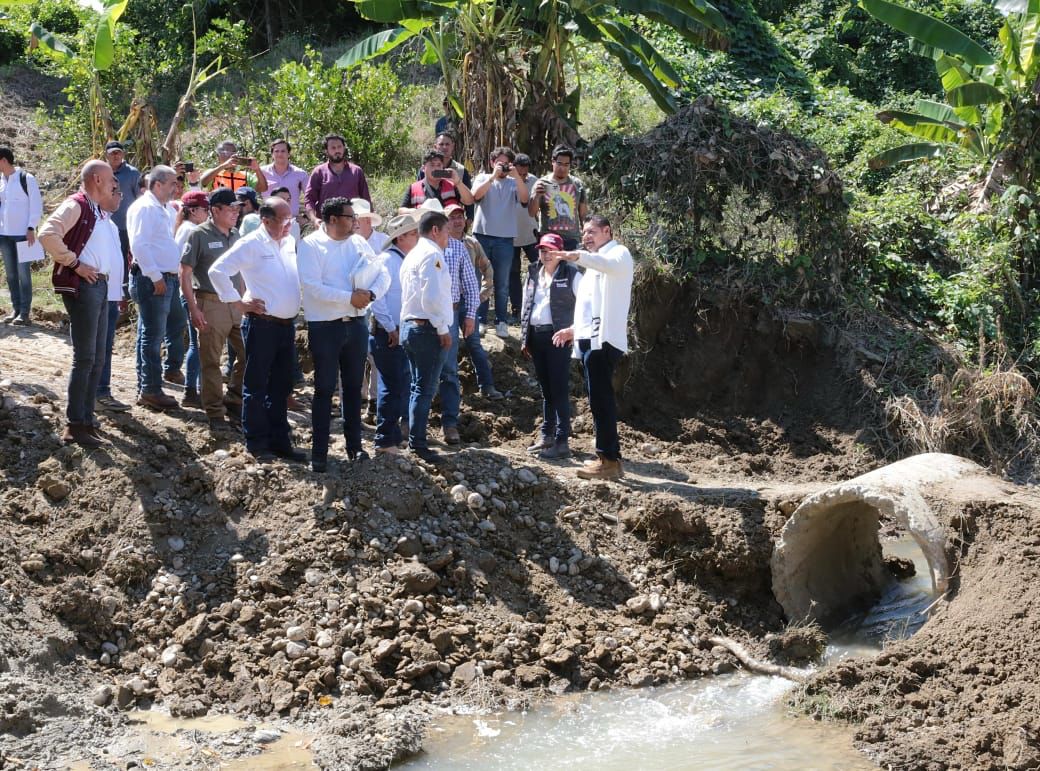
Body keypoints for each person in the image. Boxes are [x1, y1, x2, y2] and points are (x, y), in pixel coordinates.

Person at [208, 197, 304, 463]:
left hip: (286, 326)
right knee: (257, 385)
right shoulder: (251, 244)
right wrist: (239, 302)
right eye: (284, 220)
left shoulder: (288, 243)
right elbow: (217, 271)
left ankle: (280, 441)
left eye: (291, 220)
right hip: (262, 325)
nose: (289, 225)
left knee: (281, 387)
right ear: (266, 220)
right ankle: (257, 443)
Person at [298, 197, 389, 472]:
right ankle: (320, 453)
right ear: (333, 219)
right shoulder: (310, 245)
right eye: (350, 217)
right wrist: (350, 298)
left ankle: (355, 447)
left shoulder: (359, 243)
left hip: (357, 324)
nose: (355, 221)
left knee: (352, 389)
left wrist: (370, 295)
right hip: (326, 326)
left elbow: (382, 273)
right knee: (324, 389)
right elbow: (312, 287)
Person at [37, 160, 123, 447]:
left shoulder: (97, 210)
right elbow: (47, 234)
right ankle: (75, 425)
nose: (114, 183)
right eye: (111, 178)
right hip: (84, 287)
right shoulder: (77, 204)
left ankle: (86, 420)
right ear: (97, 179)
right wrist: (75, 263)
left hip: (97, 286)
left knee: (96, 358)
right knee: (85, 357)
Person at [550, 215, 633, 480]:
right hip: (589, 340)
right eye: (584, 232)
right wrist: (574, 331)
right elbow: (589, 307)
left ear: (607, 231)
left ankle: (608, 460)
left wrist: (575, 256)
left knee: (601, 401)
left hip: (603, 341)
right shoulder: (592, 266)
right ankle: (609, 459)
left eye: (592, 232)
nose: (586, 236)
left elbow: (606, 264)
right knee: (598, 400)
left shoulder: (618, 254)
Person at [179, 187, 245, 430]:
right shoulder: (199, 234)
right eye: (231, 209)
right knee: (211, 361)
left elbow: (243, 270)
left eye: (238, 209)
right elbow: (184, 273)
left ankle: (235, 399)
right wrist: (194, 309)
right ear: (215, 210)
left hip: (236, 303)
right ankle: (215, 413)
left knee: (249, 353)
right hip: (211, 302)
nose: (235, 213)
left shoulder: (236, 234)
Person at [520, 233, 581, 459]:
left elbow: (586, 305)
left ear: (560, 252)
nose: (546, 254)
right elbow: (528, 305)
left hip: (558, 337)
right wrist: (525, 338)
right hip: (537, 336)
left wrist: (573, 330)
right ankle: (547, 435)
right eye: (542, 250)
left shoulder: (571, 274)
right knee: (546, 389)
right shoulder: (533, 272)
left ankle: (562, 440)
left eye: (550, 250)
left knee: (559, 389)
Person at [399, 211, 454, 464]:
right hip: (427, 329)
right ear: (435, 230)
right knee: (424, 389)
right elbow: (431, 298)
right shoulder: (432, 255)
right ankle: (418, 443)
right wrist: (442, 328)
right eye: (446, 232)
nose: (448, 238)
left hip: (412, 326)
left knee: (416, 387)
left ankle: (414, 438)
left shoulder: (411, 255)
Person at [127, 165, 182, 411]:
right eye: (172, 183)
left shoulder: (162, 208)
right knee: (152, 336)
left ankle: (147, 386)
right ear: (157, 184)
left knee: (148, 334)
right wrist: (155, 276)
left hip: (162, 278)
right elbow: (139, 245)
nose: (175, 187)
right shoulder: (146, 208)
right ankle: (150, 389)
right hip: (153, 279)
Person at [427, 200, 481, 446]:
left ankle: (449, 422)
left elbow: (471, 285)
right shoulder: (416, 249)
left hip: (449, 314)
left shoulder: (458, 248)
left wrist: (470, 315)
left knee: (448, 370)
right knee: (421, 369)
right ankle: (415, 422)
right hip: (422, 315)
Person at [370, 210, 422, 454]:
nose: (417, 238)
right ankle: (384, 439)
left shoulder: (399, 259)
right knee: (392, 385)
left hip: (396, 330)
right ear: (401, 237)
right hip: (387, 332)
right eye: (413, 234)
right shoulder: (388, 261)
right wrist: (390, 327)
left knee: (398, 384)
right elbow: (376, 299)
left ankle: (389, 436)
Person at [94, 140, 139, 411]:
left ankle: (100, 391)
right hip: (94, 293)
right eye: (114, 190)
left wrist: (120, 292)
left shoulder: (132, 175)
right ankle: (96, 394)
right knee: (95, 347)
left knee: (105, 342)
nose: (118, 194)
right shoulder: (89, 216)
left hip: (110, 293)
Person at [471, 146, 529, 339]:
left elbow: (524, 199)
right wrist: (492, 176)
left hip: (505, 239)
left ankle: (501, 321)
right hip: (482, 237)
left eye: (506, 163)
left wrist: (516, 176)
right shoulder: (482, 178)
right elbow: (475, 196)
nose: (502, 167)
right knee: (481, 280)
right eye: (499, 163)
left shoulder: (514, 183)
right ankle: (480, 320)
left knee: (502, 282)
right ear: (491, 163)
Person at [446, 203, 501, 399]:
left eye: (460, 216)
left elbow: (487, 268)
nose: (457, 221)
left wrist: (482, 295)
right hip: (447, 305)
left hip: (468, 302)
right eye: (452, 217)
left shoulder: (472, 244)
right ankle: (451, 394)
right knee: (449, 347)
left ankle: (487, 386)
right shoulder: (439, 245)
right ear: (445, 221)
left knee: (475, 344)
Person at [172, 190, 210, 405]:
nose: (207, 214)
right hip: (192, 292)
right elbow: (185, 266)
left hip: (189, 291)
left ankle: (196, 389)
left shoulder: (186, 228)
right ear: (193, 211)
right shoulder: (191, 231)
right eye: (205, 209)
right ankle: (191, 391)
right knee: (198, 343)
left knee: (198, 342)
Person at [0, 146, 43, 326]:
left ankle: (25, 312)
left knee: (23, 274)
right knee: (10, 274)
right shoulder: (1, 181)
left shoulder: (27, 178)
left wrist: (32, 227)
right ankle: (16, 309)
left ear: (3, 160)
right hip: (4, 234)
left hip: (24, 234)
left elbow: (36, 205)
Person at [305, 134, 371, 229]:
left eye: (339, 147)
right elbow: (309, 199)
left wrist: (368, 222)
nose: (337, 150)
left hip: (352, 225)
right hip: (327, 226)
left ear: (344, 148)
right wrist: (314, 219)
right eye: (333, 148)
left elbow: (366, 199)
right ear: (326, 151)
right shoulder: (319, 172)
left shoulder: (356, 171)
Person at [529, 144, 588, 250]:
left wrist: (586, 235)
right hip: (549, 240)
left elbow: (583, 214)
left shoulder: (577, 185)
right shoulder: (542, 183)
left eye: (566, 164)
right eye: (559, 164)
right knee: (550, 267)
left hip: (572, 240)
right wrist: (536, 196)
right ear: (553, 162)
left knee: (572, 267)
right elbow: (531, 213)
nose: (563, 168)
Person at [511, 153, 539, 320]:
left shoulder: (534, 181)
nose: (522, 177)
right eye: (518, 173)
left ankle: (534, 307)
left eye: (524, 174)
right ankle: (517, 310)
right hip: (510, 236)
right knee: (513, 275)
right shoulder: (506, 181)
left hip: (531, 235)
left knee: (538, 270)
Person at [403, 150, 474, 210]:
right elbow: (401, 210)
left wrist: (458, 182)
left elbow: (469, 201)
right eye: (432, 165)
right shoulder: (413, 188)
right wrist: (415, 212)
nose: (436, 168)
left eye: (439, 165)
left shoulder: (452, 185)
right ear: (423, 168)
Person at [261, 138, 308, 227]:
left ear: (289, 154)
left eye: (283, 151)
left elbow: (310, 198)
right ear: (272, 154)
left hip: (291, 223)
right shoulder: (262, 172)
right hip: (267, 221)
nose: (279, 154)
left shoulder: (300, 174)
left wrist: (306, 217)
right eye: (276, 151)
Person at [199, 140, 268, 193]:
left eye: (234, 152)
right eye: (227, 152)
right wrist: (224, 165)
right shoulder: (213, 173)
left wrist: (257, 169)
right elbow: (203, 182)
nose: (231, 156)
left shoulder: (246, 175)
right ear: (218, 156)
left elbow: (263, 188)